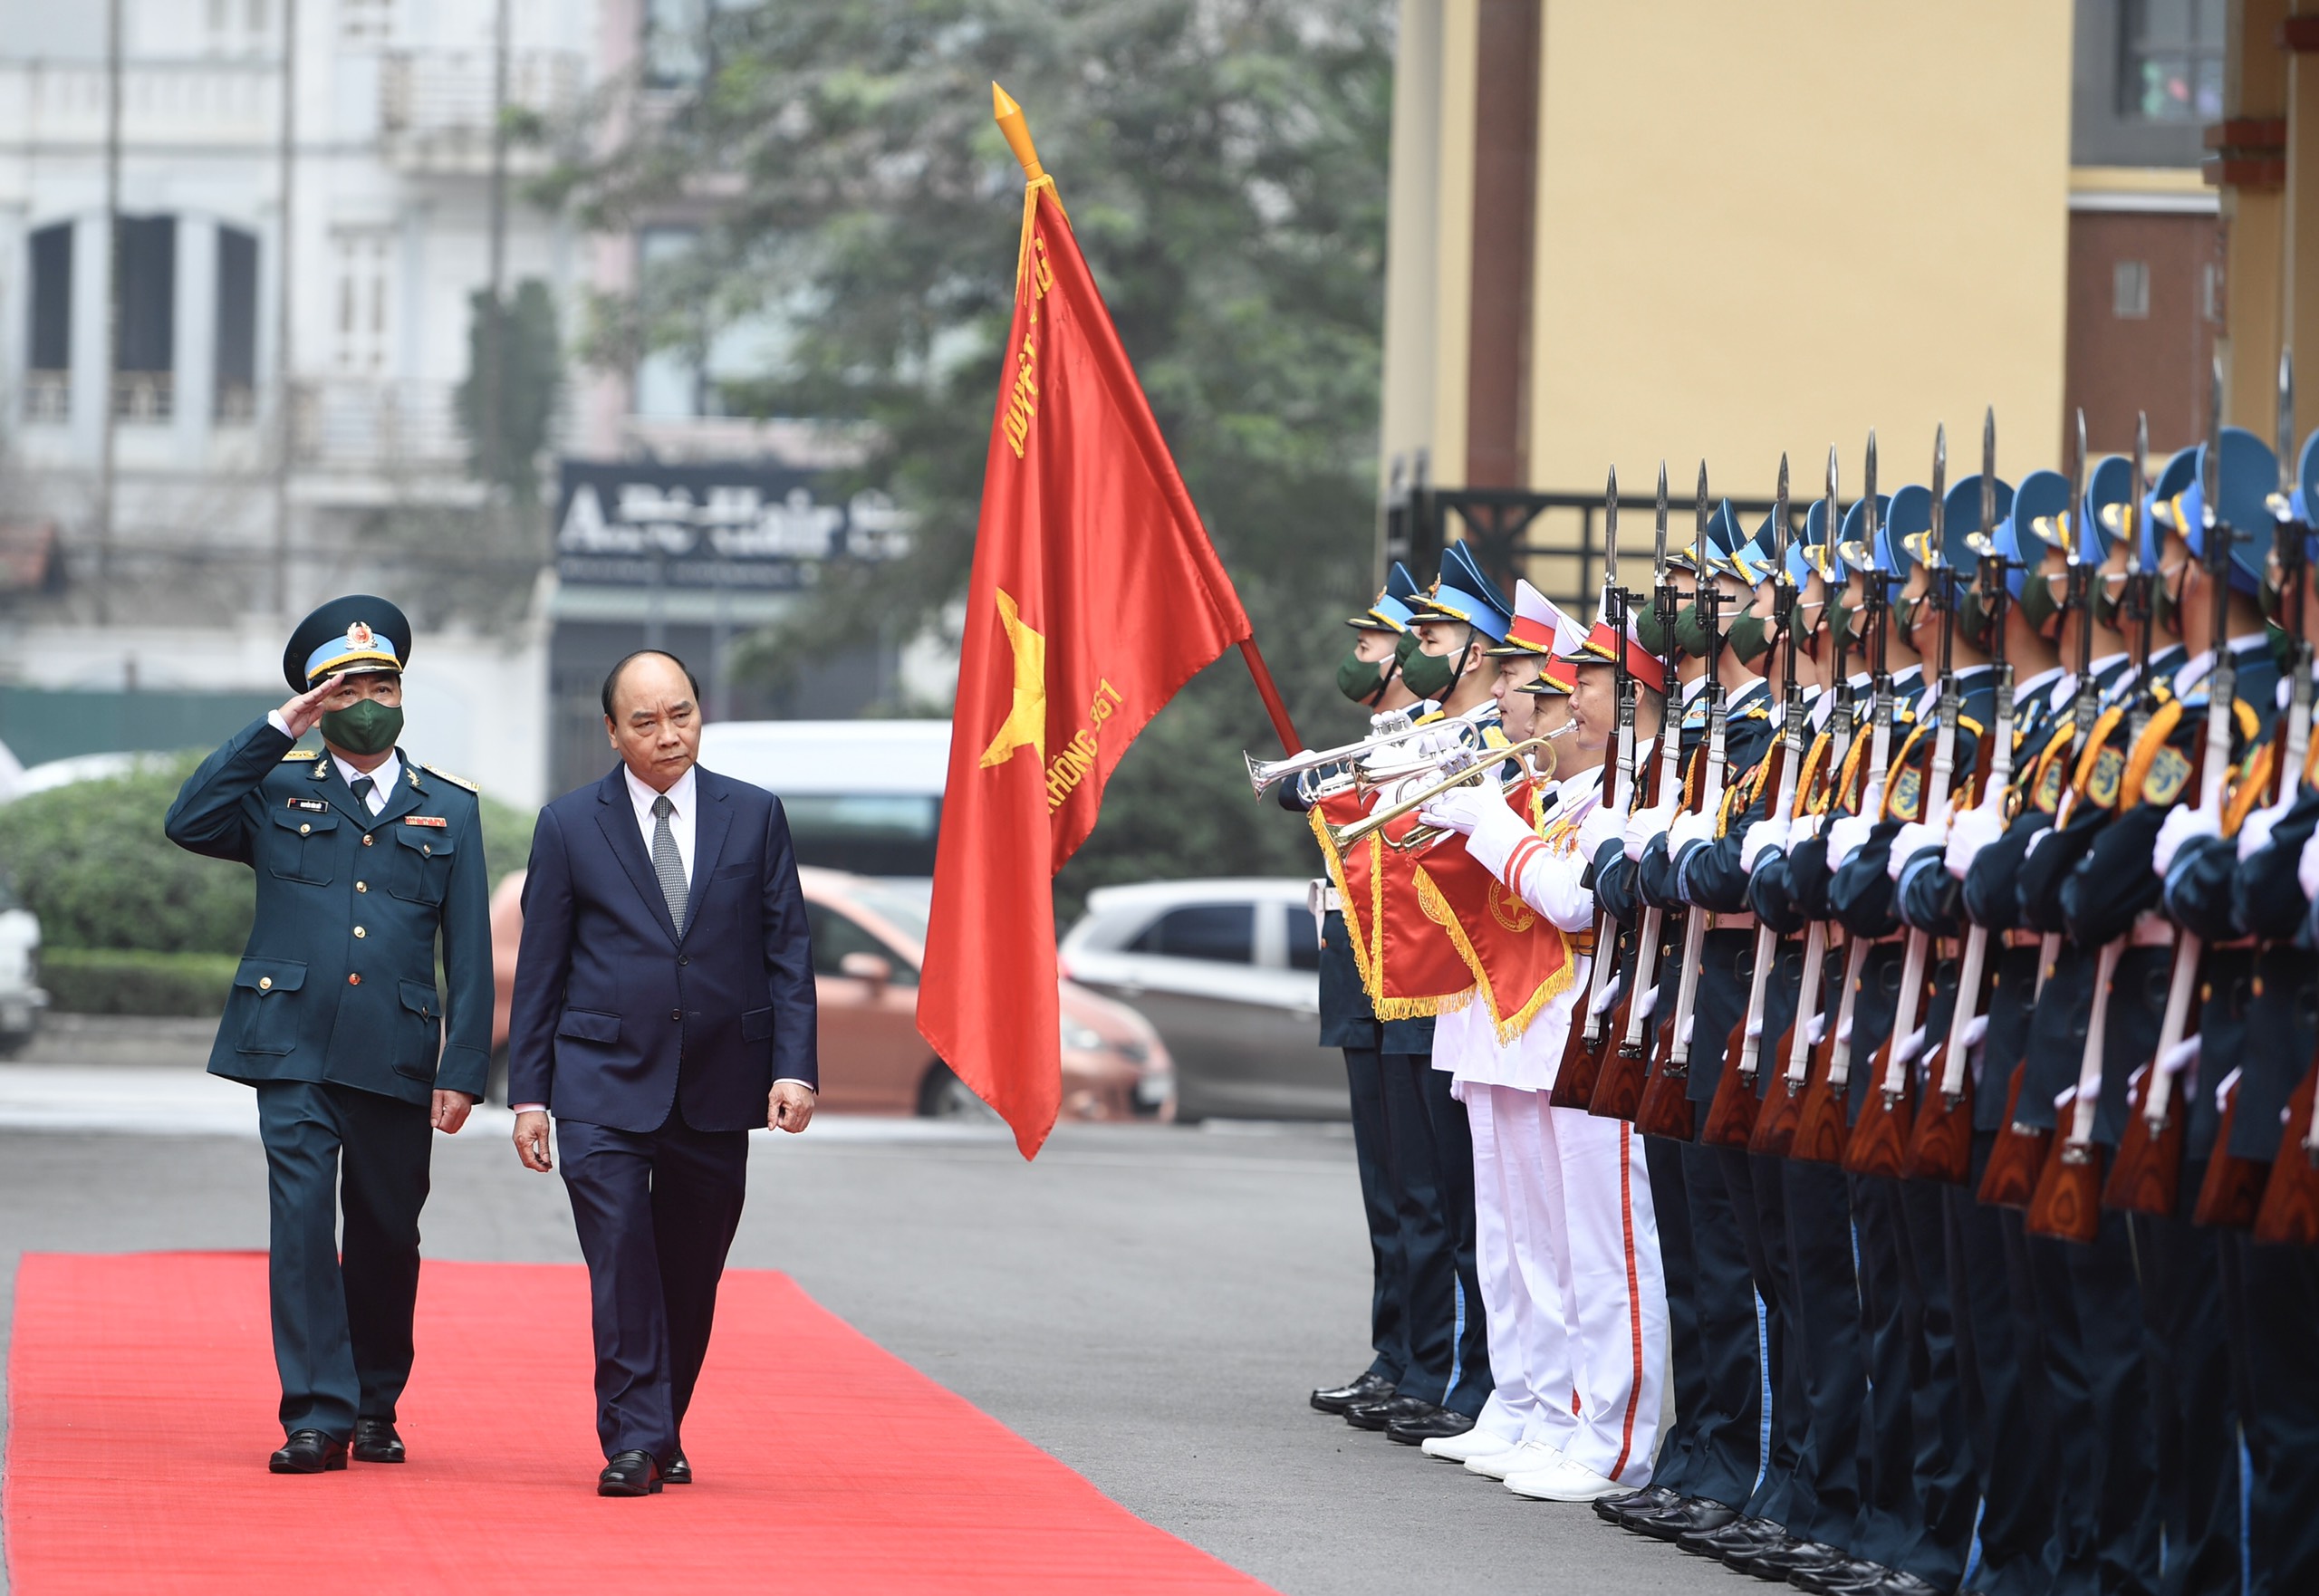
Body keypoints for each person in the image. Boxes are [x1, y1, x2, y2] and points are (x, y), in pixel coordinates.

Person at [164, 595, 492, 1475]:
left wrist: (463, 1067)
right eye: (346, 689)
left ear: (403, 693)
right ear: (317, 700)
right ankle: (315, 1413)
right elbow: (188, 819)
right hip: (291, 1045)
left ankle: (375, 1403)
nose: (368, 702)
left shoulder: (449, 809)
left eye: (383, 685)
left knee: (386, 1232)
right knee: (304, 1224)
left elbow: (468, 952)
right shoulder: (275, 789)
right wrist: (280, 727)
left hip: (394, 1050)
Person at [505, 648, 818, 1496]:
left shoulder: (755, 815)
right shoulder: (570, 825)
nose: (668, 734)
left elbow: (787, 951)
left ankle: (661, 1422)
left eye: (681, 714)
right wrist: (530, 1096)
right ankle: (634, 1440)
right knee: (621, 1260)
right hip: (601, 1082)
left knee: (689, 1270)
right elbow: (541, 970)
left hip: (719, 1081)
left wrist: (794, 1069)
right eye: (644, 721)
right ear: (612, 732)